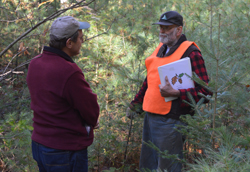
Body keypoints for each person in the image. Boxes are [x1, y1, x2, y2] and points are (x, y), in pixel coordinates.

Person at [126, 11, 212, 172]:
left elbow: (206, 91)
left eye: (167, 28)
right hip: (150, 118)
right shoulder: (161, 48)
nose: (162, 31)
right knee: (148, 166)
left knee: (168, 168)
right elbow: (149, 80)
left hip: (172, 121)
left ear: (179, 30)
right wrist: (135, 103)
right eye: (160, 27)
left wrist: (178, 93)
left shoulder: (191, 52)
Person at [26, 16, 99, 172]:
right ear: (69, 43)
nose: (82, 42)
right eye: (80, 38)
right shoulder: (68, 71)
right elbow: (90, 109)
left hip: (40, 145)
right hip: (64, 150)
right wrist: (92, 121)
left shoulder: (35, 63)